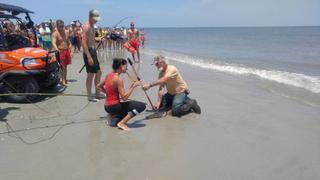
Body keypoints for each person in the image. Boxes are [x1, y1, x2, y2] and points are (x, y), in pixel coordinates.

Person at [97, 58, 146, 131]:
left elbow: (98, 86)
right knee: (141, 106)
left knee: (126, 109)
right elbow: (124, 98)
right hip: (115, 106)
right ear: (121, 66)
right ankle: (122, 123)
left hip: (107, 107)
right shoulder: (118, 79)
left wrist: (109, 93)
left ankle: (112, 115)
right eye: (126, 66)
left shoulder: (108, 75)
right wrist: (133, 86)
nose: (127, 68)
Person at [82, 9, 104, 102]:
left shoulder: (92, 26)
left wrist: (100, 38)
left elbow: (92, 38)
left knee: (99, 72)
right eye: (95, 18)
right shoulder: (86, 26)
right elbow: (83, 43)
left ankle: (98, 93)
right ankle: (89, 96)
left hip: (93, 51)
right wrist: (89, 56)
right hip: (89, 52)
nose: (97, 20)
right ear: (90, 17)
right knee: (90, 75)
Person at [52, 20, 73, 86]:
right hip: (60, 51)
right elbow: (53, 42)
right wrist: (56, 49)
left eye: (62, 26)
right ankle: (62, 80)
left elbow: (68, 42)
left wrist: (71, 50)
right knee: (62, 67)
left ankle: (64, 79)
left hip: (66, 51)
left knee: (65, 67)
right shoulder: (55, 33)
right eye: (60, 26)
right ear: (57, 26)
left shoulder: (66, 32)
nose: (61, 28)